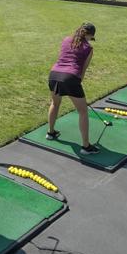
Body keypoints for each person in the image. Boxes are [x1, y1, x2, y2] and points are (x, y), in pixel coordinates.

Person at [46, 23, 99, 155]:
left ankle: (51, 133)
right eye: (91, 37)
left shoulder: (66, 39)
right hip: (70, 78)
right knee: (82, 111)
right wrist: (76, 83)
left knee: (55, 103)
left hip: (53, 75)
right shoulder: (89, 48)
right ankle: (86, 147)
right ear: (89, 35)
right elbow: (82, 70)